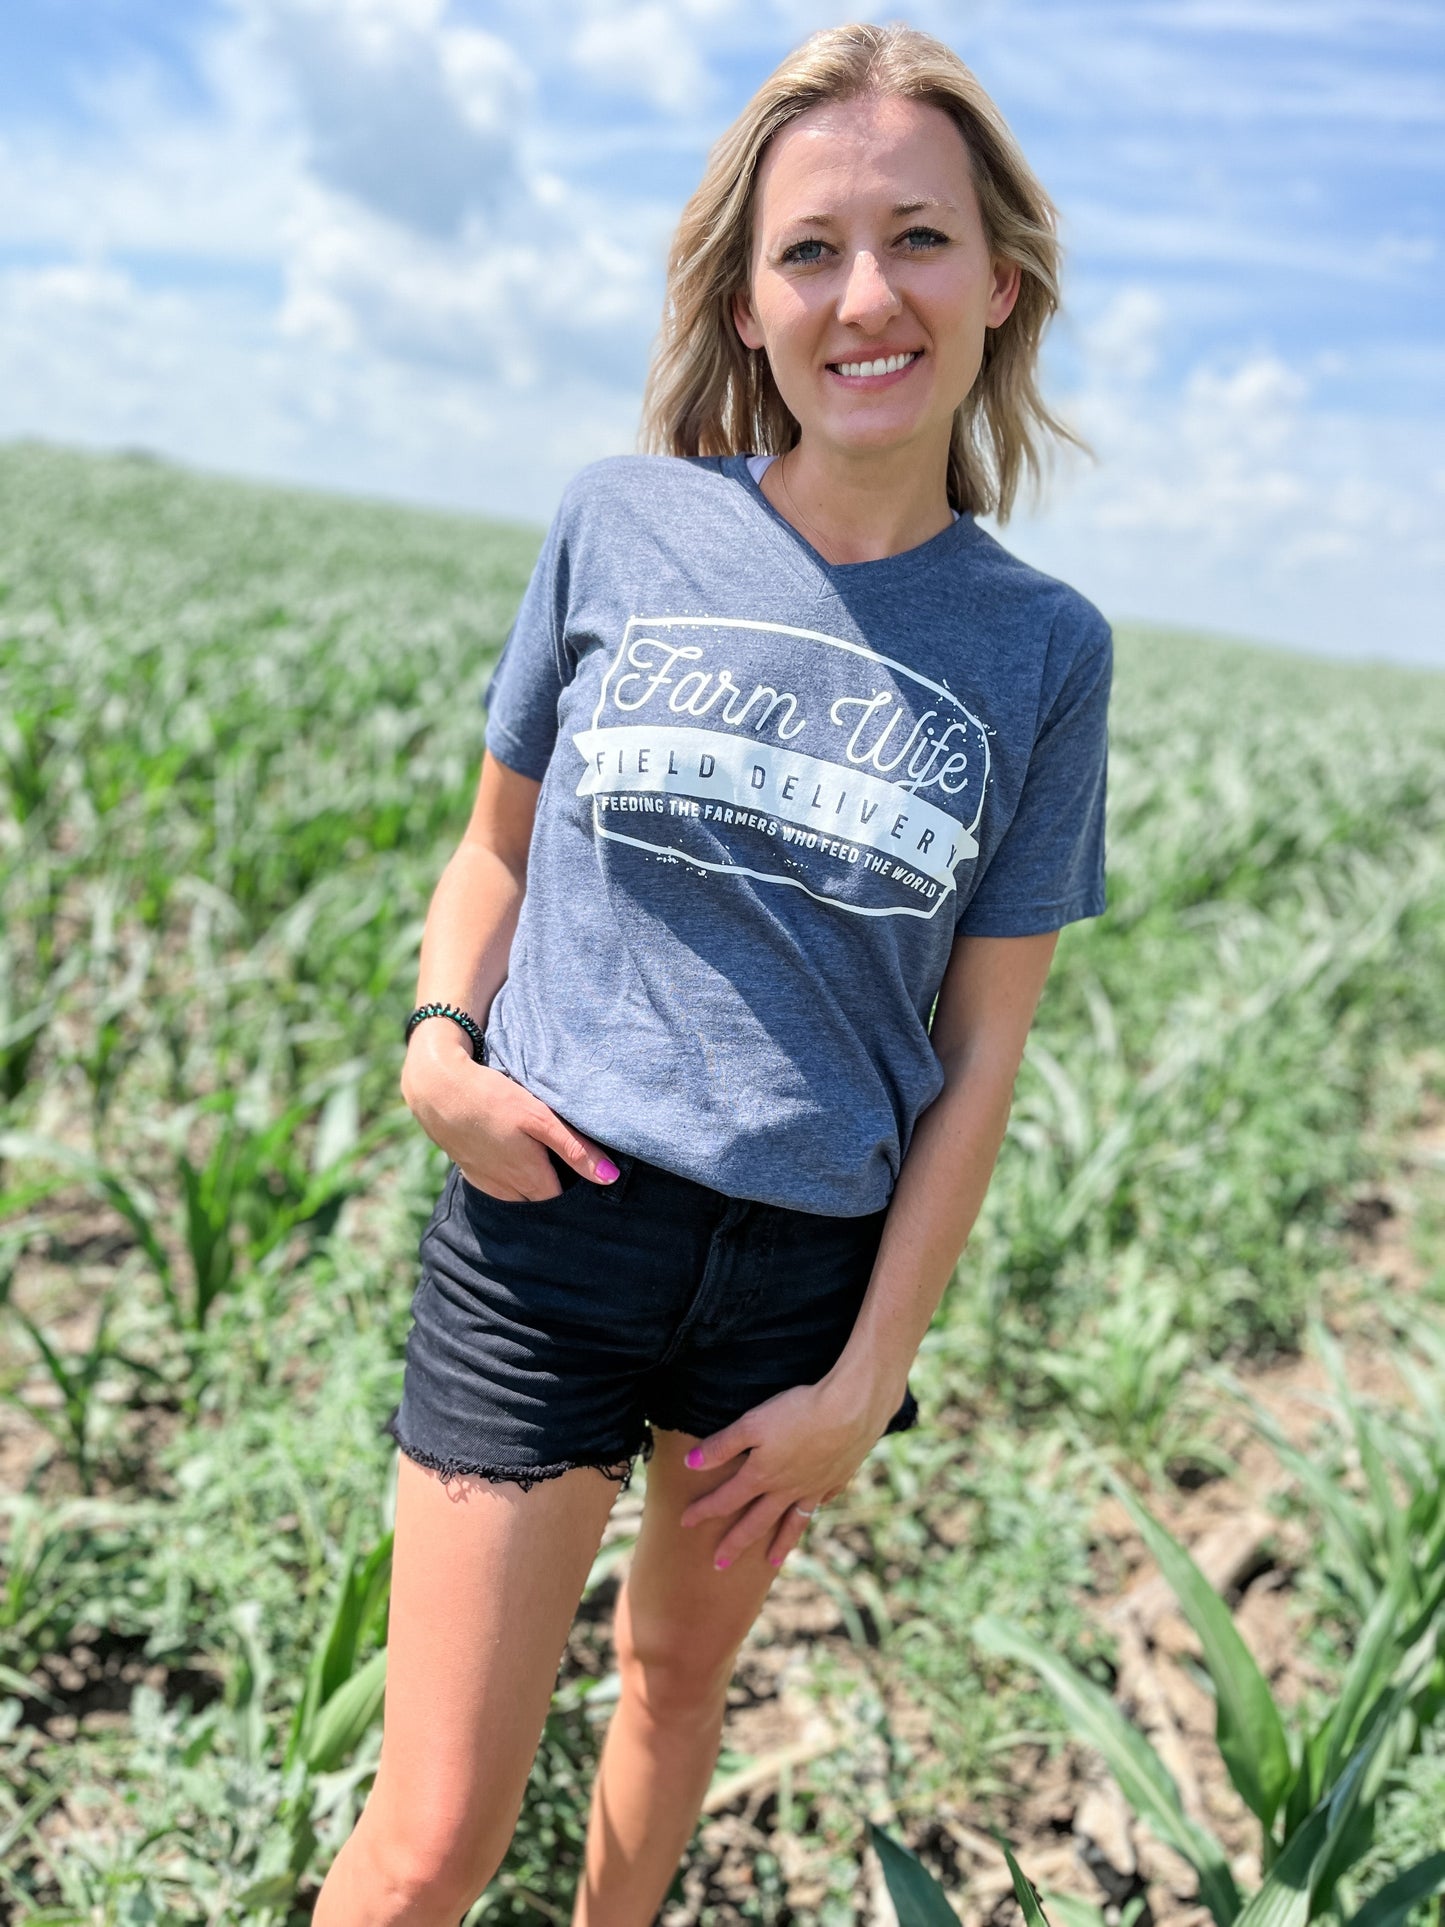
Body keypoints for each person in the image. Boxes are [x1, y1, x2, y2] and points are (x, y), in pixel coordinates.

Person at [316, 18, 1111, 1926]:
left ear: (997, 287)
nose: (866, 293)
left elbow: (979, 1054)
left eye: (915, 240)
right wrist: (437, 1042)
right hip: (552, 1227)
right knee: (431, 1837)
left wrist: (865, 1376)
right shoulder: (622, 520)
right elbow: (492, 849)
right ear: (746, 306)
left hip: (798, 1284)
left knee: (673, 1697)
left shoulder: (1042, 649)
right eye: (810, 250)